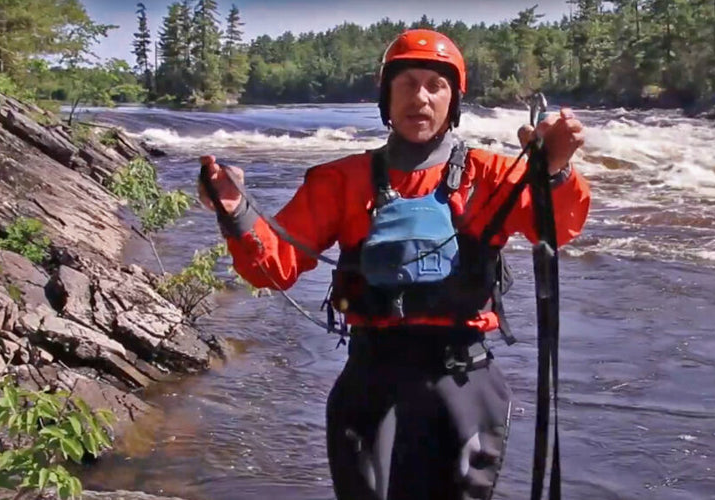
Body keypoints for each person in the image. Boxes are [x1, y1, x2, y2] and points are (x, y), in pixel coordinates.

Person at [198, 29, 590, 500]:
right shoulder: (340, 180)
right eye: (406, 84)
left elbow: (558, 229)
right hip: (371, 377)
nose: (420, 98)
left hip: (462, 379)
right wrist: (236, 211)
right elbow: (272, 267)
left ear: (453, 100)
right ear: (386, 96)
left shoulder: (493, 174)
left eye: (434, 85)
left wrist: (557, 170)